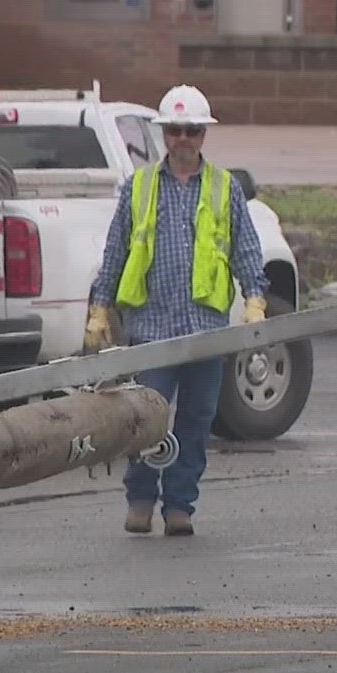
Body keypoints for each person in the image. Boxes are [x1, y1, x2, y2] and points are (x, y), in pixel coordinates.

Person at [84, 84, 271, 537]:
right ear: (163, 135)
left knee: (195, 422)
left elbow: (246, 249)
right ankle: (141, 500)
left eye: (190, 130)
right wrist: (100, 308)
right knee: (145, 420)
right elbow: (117, 251)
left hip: (205, 330)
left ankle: (179, 507)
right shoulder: (140, 187)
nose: (182, 139)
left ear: (203, 135)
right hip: (151, 328)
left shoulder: (224, 188)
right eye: (174, 131)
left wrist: (255, 299)